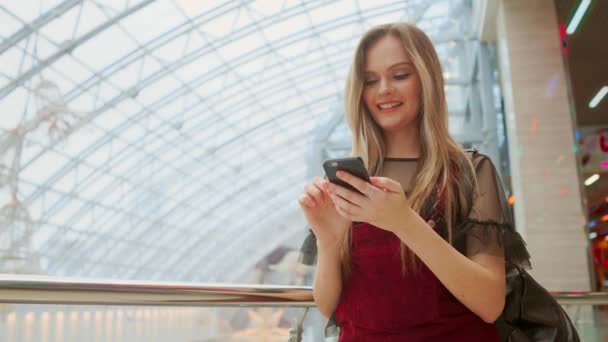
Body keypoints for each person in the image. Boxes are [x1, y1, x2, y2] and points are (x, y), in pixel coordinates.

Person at [297, 22, 531, 341]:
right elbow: (330, 308)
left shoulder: (470, 172)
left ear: (426, 79)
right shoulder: (353, 181)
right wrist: (328, 239)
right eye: (370, 80)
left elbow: (490, 304)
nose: (384, 90)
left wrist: (405, 222)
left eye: (400, 75)